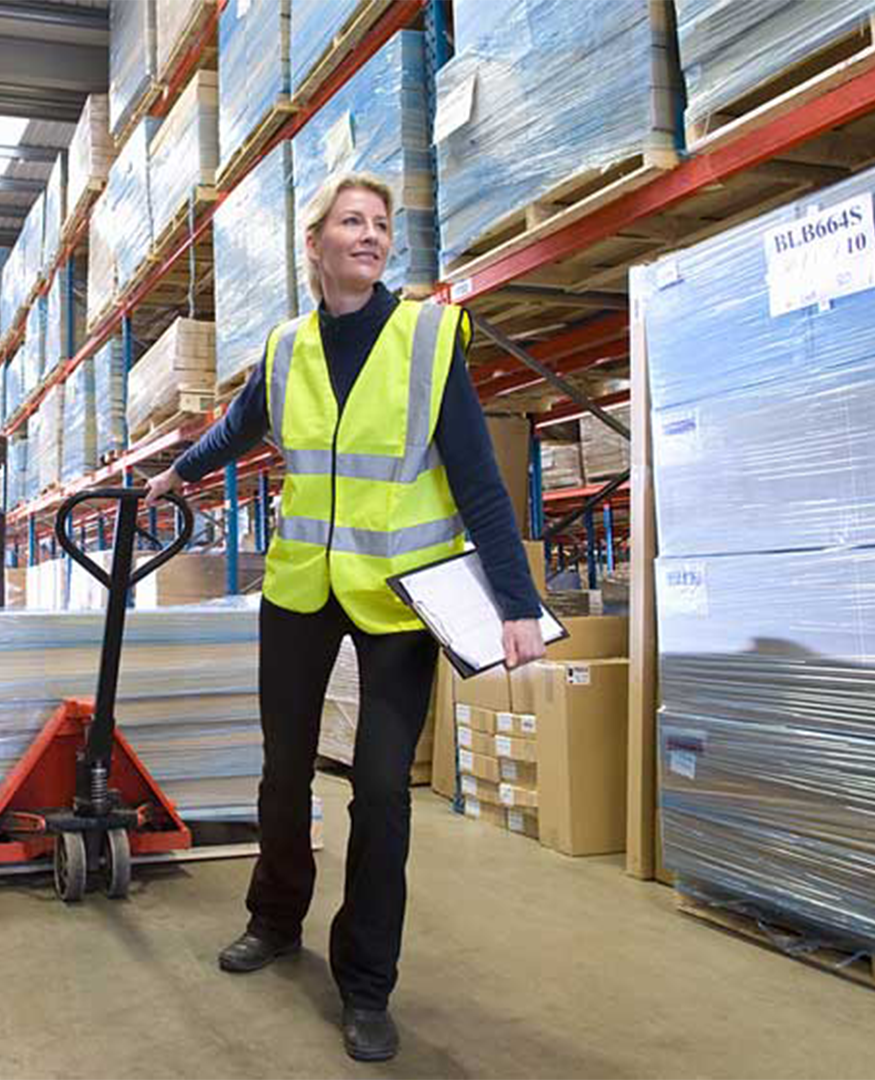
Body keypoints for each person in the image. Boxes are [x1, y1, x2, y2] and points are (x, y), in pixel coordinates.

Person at [145, 172, 547, 1063]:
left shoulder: (428, 339)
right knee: (284, 772)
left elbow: (479, 481)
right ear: (315, 242)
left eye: (381, 224)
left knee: (381, 792)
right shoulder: (287, 347)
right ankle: (274, 918)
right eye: (352, 221)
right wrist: (179, 472)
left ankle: (366, 983)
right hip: (300, 589)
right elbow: (240, 427)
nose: (370, 235)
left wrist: (517, 605)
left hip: (398, 596)